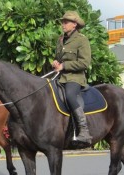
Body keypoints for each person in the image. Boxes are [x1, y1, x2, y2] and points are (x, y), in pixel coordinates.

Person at [51, 11, 92, 144]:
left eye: (66, 22)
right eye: (62, 22)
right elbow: (59, 59)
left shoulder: (82, 40)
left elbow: (85, 63)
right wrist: (55, 63)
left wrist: (64, 66)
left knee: (70, 96)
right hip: (59, 78)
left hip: (75, 78)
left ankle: (84, 131)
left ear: (74, 24)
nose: (63, 24)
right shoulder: (61, 39)